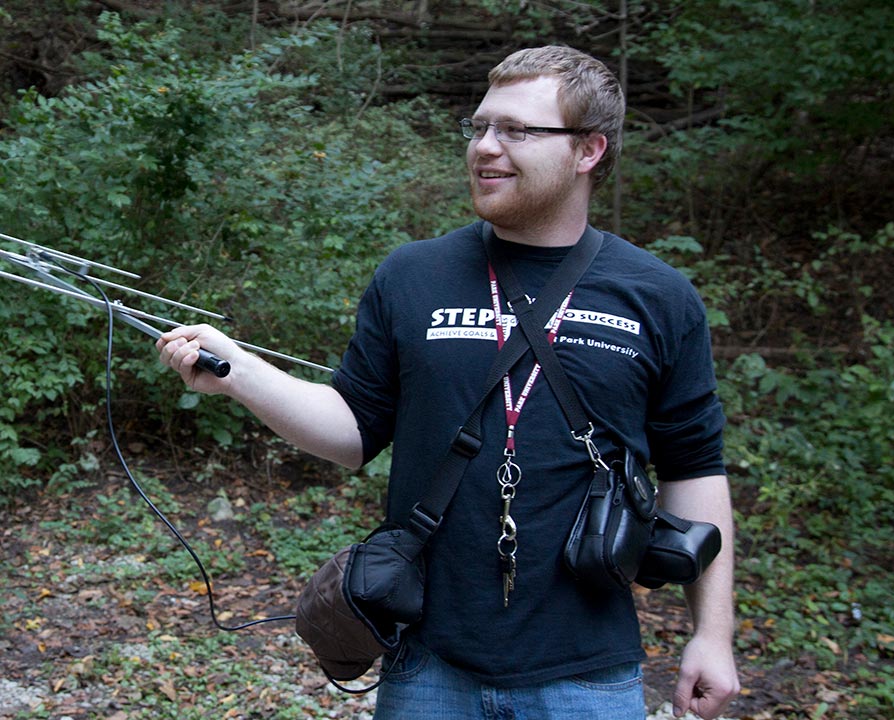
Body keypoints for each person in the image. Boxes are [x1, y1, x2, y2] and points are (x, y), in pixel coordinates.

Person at [157, 45, 739, 720]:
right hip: (428, 665)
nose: (486, 148)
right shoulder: (413, 276)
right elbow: (351, 431)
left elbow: (695, 470)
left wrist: (713, 635)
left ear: (588, 151)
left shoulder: (657, 297)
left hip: (588, 674)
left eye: (517, 131)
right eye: (480, 127)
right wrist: (241, 375)